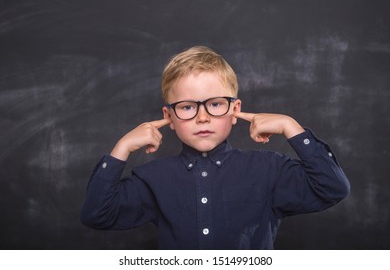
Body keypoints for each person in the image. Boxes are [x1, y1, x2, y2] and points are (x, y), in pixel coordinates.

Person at [80, 46, 350, 249]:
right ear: (169, 117)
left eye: (216, 104)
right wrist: (122, 148)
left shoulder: (270, 170)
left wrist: (292, 127)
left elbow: (332, 188)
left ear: (235, 110)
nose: (202, 117)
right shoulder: (153, 178)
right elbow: (96, 215)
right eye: (187, 107)